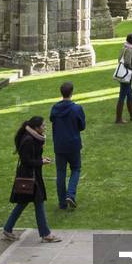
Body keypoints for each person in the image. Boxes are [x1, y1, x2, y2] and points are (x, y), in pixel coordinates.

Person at [2, 116, 61, 242]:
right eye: (43, 126)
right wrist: (41, 162)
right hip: (29, 176)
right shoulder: (28, 140)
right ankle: (46, 235)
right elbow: (26, 161)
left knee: (23, 203)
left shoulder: (33, 138)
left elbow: (30, 156)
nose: (45, 127)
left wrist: (41, 159)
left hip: (32, 175)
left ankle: (7, 229)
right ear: (36, 128)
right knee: (38, 202)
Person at [49, 82, 85, 210]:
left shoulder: (55, 108)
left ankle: (62, 203)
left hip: (59, 145)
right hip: (73, 144)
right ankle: (70, 194)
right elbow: (82, 126)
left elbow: (52, 119)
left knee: (60, 173)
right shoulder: (77, 108)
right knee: (76, 169)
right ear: (72, 92)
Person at [115, 33, 132, 123]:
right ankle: (118, 118)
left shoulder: (124, 47)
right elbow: (127, 63)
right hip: (126, 75)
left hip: (125, 75)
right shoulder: (130, 49)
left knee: (129, 94)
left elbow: (119, 59)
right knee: (122, 96)